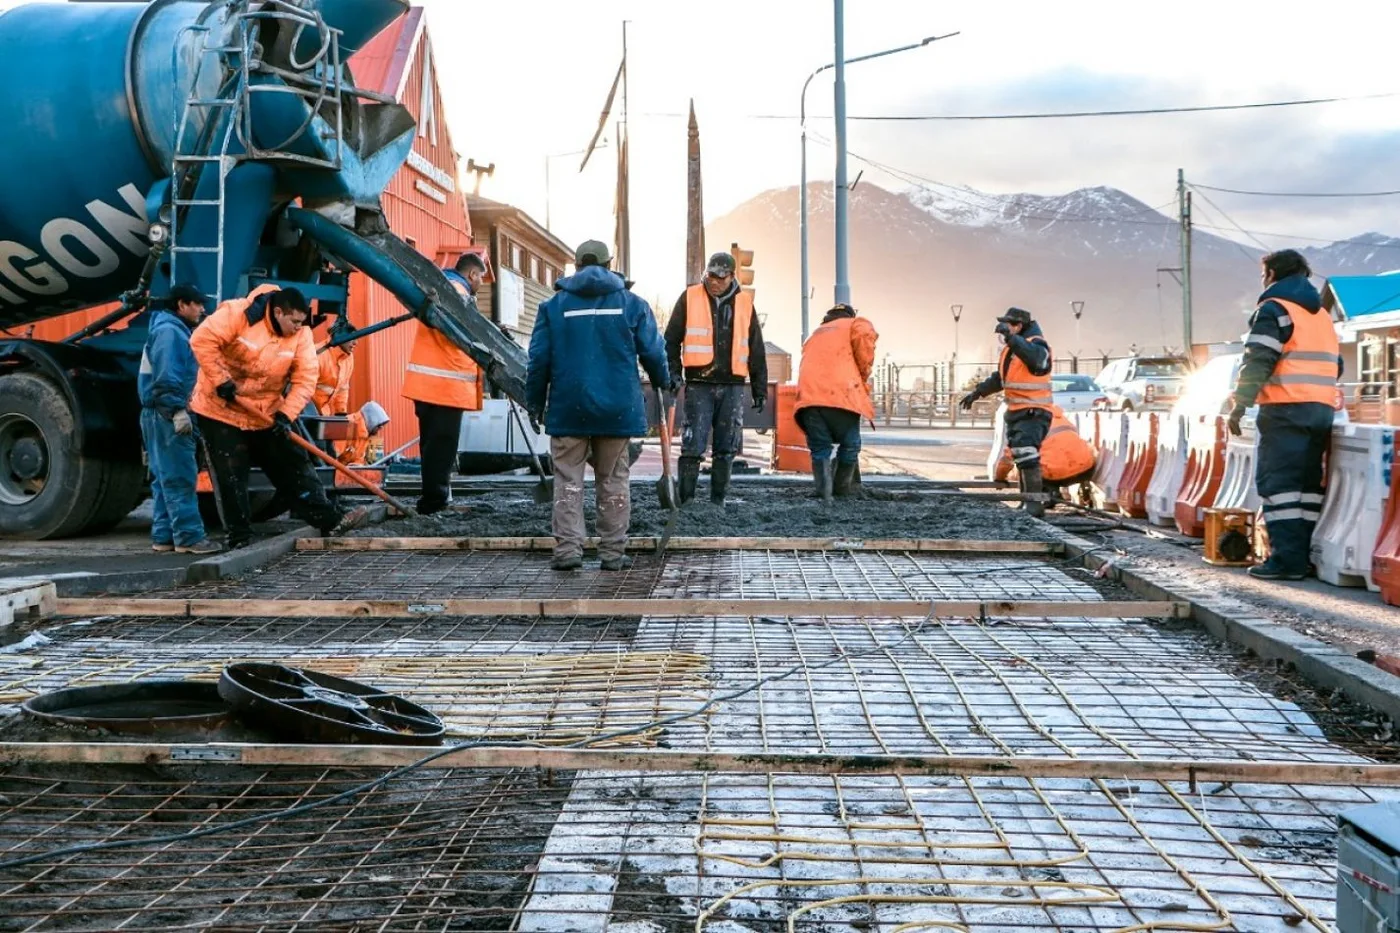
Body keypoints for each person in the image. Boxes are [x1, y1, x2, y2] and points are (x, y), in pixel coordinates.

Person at [526, 239, 669, 572]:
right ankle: (612, 553)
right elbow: (653, 352)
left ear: (576, 266)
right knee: (614, 481)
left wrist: (535, 402)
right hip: (617, 410)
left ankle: (567, 551)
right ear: (610, 264)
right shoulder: (633, 305)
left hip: (568, 408)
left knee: (568, 481)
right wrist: (663, 380)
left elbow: (538, 360)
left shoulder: (553, 307)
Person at [189, 285, 367, 549]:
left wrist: (286, 414)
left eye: (302, 321)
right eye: (294, 321)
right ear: (279, 312)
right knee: (231, 474)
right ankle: (239, 539)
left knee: (294, 463)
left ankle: (329, 519)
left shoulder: (301, 334)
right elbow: (201, 340)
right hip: (221, 409)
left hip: (265, 412)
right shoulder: (238, 314)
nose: (299, 327)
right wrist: (220, 379)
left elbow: (305, 378)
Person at [1228, 248, 1342, 581]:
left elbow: (1259, 359)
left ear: (1272, 275)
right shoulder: (1320, 315)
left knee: (1279, 486)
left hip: (1285, 408)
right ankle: (1299, 557)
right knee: (1306, 488)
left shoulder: (1274, 308)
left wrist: (1241, 402)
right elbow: (1336, 364)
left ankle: (1287, 562)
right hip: (1320, 410)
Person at [664, 251, 768, 505]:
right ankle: (686, 500)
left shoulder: (744, 303)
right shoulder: (690, 298)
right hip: (699, 384)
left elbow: (756, 348)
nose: (715, 281)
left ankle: (717, 501)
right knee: (692, 444)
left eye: (721, 277)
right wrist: (673, 373)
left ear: (732, 276)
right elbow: (670, 340)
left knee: (726, 446)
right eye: (711, 275)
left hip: (732, 386)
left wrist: (759, 389)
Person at [402, 251, 488, 514]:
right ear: (472, 274)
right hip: (444, 387)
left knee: (433, 447)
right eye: (481, 278)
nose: (481, 284)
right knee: (441, 447)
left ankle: (436, 497)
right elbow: (462, 334)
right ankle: (434, 502)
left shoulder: (442, 287)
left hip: (431, 386)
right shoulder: (457, 293)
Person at [137, 284, 220, 554]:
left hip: (156, 413)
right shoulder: (171, 334)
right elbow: (168, 377)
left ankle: (163, 537)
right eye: (196, 304)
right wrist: (177, 411)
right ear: (181, 305)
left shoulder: (165, 330)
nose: (202, 309)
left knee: (163, 478)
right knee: (180, 476)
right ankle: (189, 537)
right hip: (168, 414)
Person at [960, 307, 1054, 517]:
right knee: (1021, 456)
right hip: (1018, 411)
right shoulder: (1014, 350)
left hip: (1034, 411)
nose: (1005, 332)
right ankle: (1026, 502)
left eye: (1008, 327)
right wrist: (977, 392)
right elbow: (1000, 378)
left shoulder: (1036, 345)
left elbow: (1037, 360)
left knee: (1026, 452)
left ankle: (1034, 505)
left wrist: (1012, 338)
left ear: (1019, 326)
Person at [794, 303, 878, 501]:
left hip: (809, 399)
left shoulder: (815, 334)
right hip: (841, 395)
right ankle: (841, 489)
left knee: (820, 447)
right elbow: (865, 351)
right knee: (850, 444)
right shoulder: (855, 324)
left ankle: (824, 492)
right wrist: (862, 378)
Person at [337, 401, 390, 466]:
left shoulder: (366, 434)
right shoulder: (346, 426)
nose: (381, 428)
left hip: (348, 471)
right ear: (371, 420)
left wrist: (358, 465)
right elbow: (332, 458)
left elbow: (359, 459)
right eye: (379, 425)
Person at [314, 337, 356, 416]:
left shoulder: (348, 357)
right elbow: (302, 387)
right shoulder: (318, 354)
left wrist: (341, 412)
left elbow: (343, 388)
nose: (355, 343)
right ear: (339, 336)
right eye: (352, 338)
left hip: (323, 414)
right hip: (304, 413)